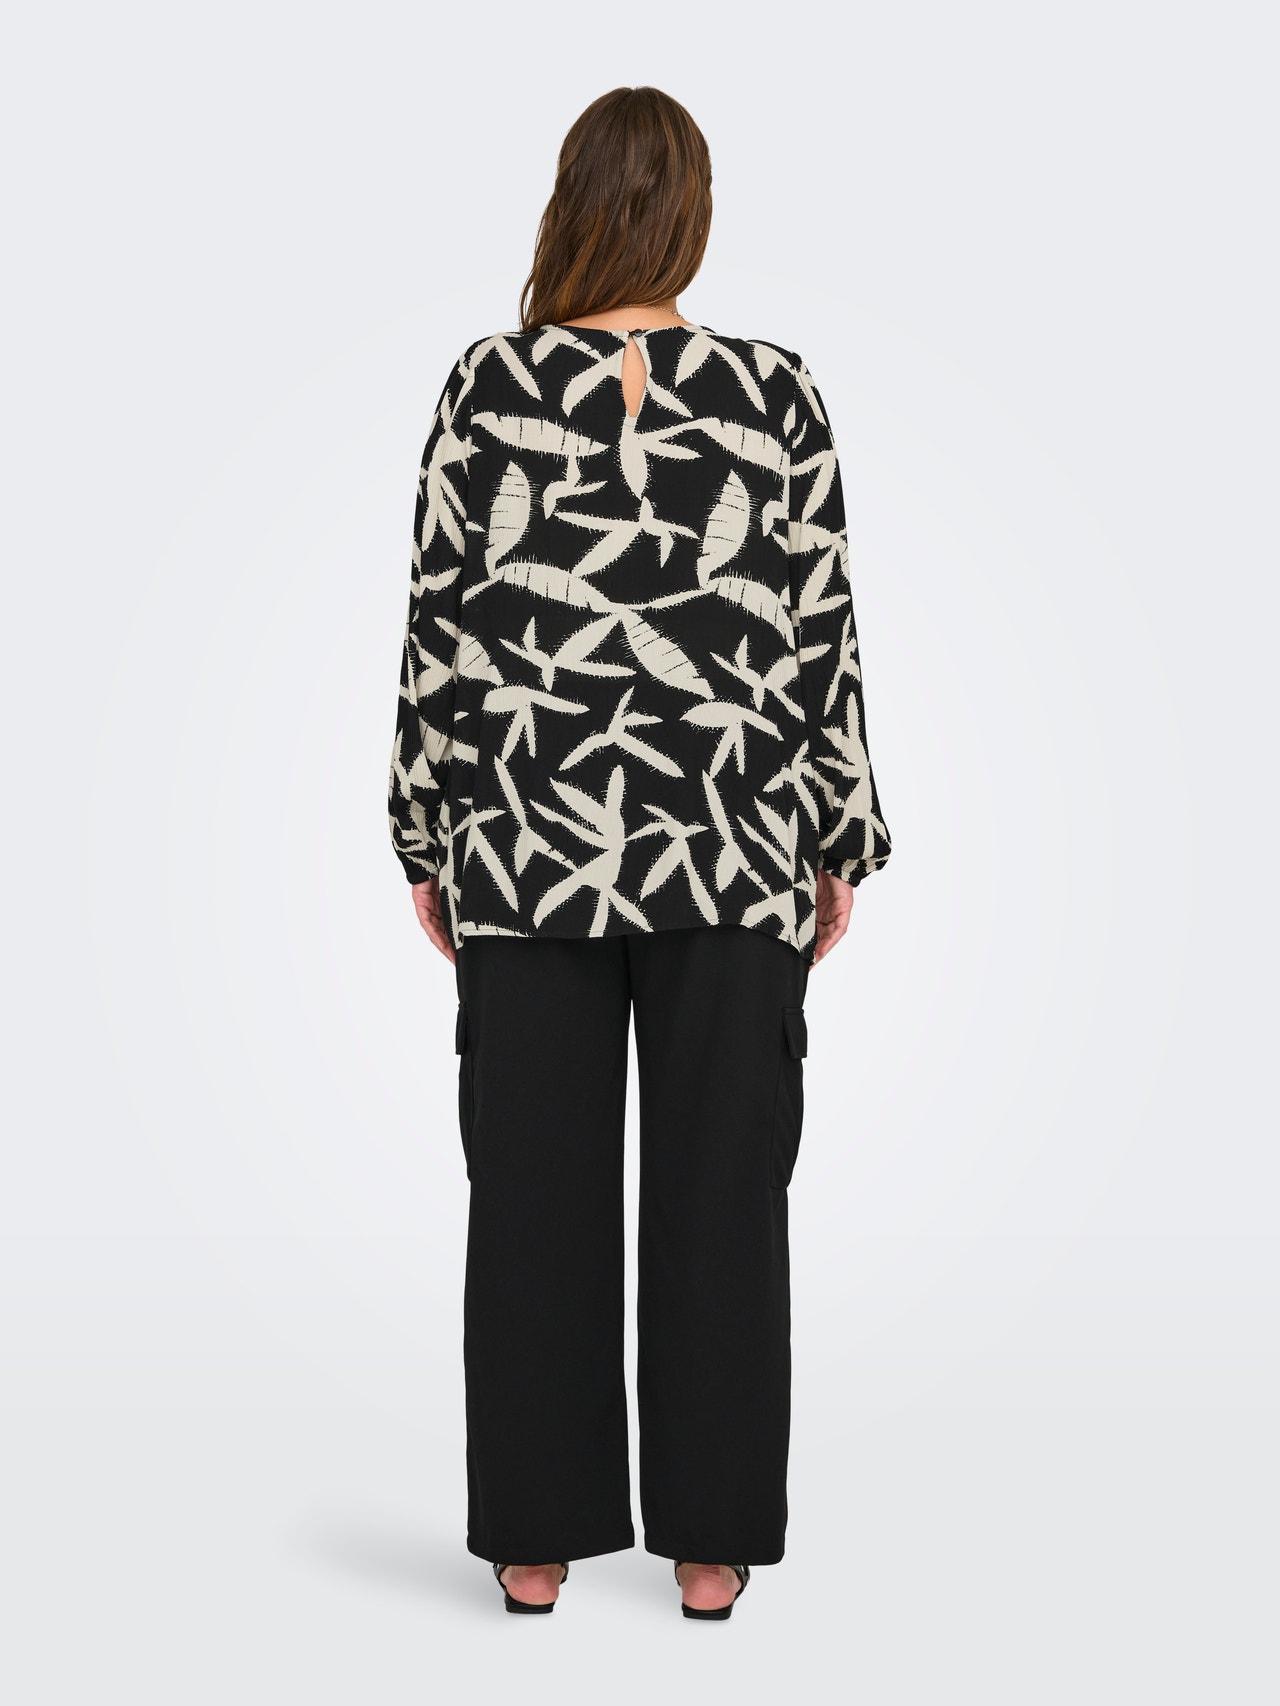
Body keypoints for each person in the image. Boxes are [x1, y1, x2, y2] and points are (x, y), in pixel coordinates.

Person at [387, 85, 892, 1620]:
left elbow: (441, 630)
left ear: (570, 205)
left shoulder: (489, 386)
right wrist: (837, 833)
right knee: (723, 1195)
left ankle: (535, 1541)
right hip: (731, 846)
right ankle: (711, 1544)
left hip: (529, 845)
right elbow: (820, 632)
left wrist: (427, 828)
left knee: (529, 1195)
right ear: (692, 215)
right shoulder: (774, 396)